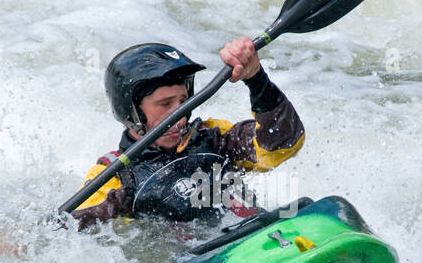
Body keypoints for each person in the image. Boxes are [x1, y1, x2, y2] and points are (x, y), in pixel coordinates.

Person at [71, 37, 304, 231]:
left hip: (254, 236)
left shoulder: (214, 137)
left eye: (183, 101)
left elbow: (283, 146)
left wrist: (256, 78)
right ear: (130, 111)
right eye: (165, 104)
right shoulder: (116, 175)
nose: (180, 115)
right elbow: (77, 232)